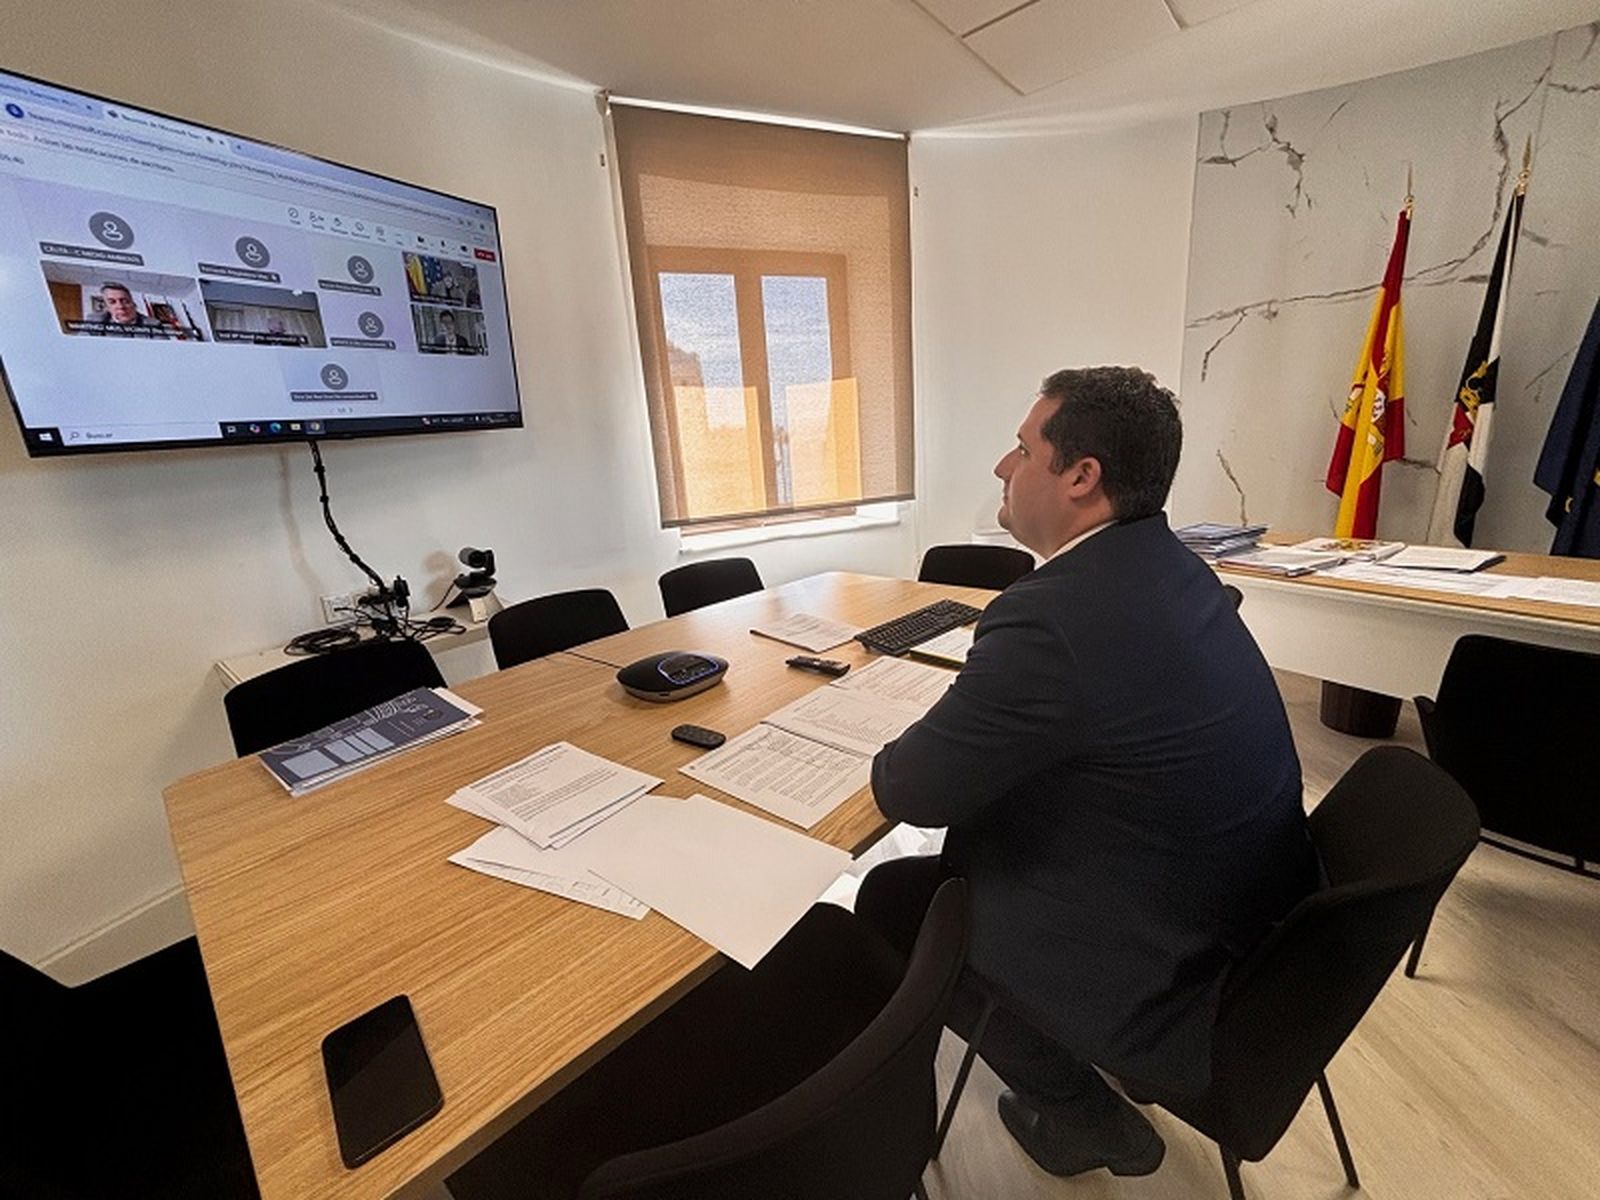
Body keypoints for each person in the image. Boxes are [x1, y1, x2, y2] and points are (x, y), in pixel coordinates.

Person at [860, 366, 1317, 1178]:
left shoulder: (1053, 615)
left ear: (1081, 477)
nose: (1004, 467)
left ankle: (1083, 1114)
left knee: (897, 900)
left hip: (1170, 966)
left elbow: (909, 790)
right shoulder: (1172, 569)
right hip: (1256, 929)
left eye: (1023, 447)